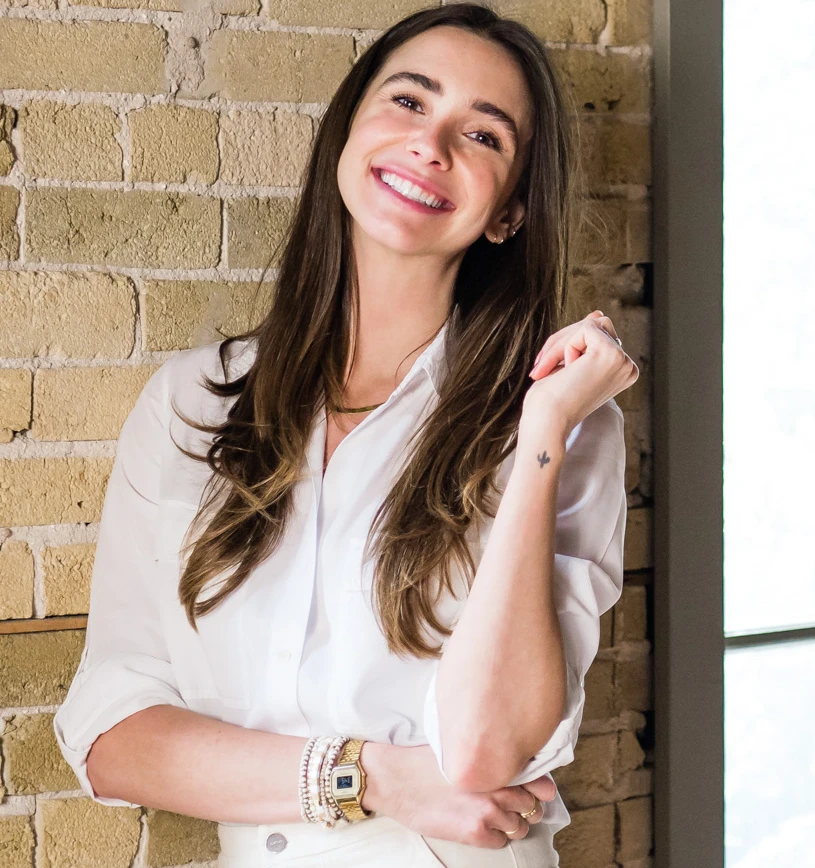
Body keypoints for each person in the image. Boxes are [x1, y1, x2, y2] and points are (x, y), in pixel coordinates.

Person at [53, 3, 640, 866]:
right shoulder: (189, 403)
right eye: (408, 102)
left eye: (484, 136)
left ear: (510, 211)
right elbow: (110, 735)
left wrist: (544, 430)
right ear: (345, 134)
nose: (431, 146)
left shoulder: (563, 421)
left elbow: (486, 754)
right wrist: (373, 778)